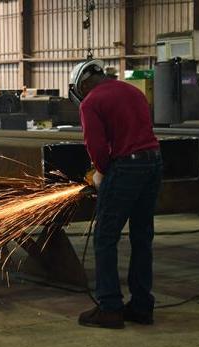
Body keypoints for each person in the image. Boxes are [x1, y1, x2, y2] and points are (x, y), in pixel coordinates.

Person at [69, 60, 163, 329]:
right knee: (142, 235)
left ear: (84, 84)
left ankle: (110, 307)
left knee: (105, 236)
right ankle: (142, 306)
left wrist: (100, 172)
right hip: (154, 162)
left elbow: (96, 147)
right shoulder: (132, 91)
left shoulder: (91, 103)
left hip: (127, 167)